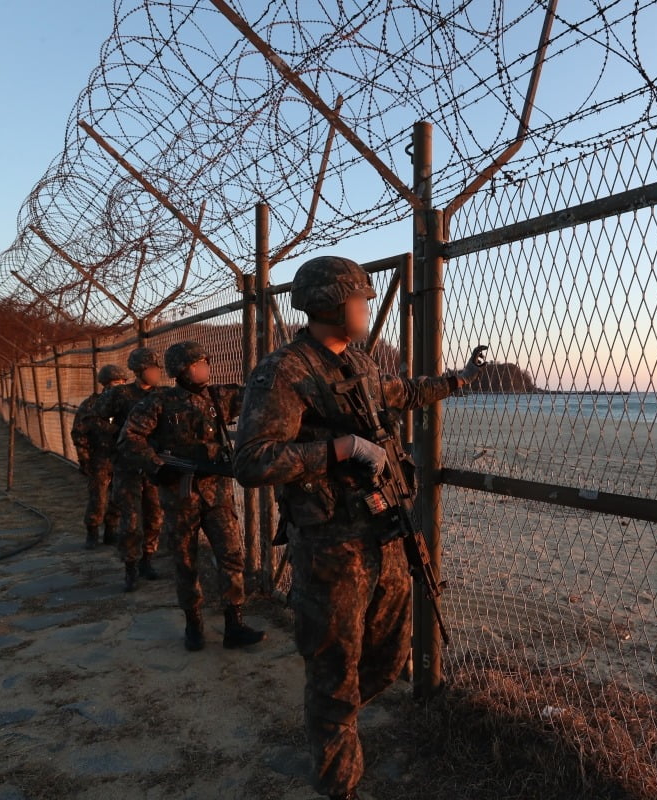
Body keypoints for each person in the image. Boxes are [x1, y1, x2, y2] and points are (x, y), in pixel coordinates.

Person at [232, 255, 483, 800]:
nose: (367, 308)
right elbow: (252, 460)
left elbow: (398, 394)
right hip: (328, 544)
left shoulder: (360, 363)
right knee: (333, 664)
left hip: (382, 528)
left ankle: (333, 723)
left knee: (388, 656)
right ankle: (337, 780)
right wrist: (338, 449)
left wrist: (454, 382)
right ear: (330, 303)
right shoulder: (283, 372)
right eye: (359, 300)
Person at [119, 340, 265, 651]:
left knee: (231, 555)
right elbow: (129, 438)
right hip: (180, 496)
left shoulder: (218, 397)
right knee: (185, 561)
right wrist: (157, 467)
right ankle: (193, 623)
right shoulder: (159, 401)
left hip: (217, 493)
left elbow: (258, 393)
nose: (205, 368)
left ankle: (234, 622)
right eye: (199, 363)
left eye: (204, 362)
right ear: (184, 370)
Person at [96, 346, 166, 592]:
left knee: (155, 516)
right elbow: (99, 416)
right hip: (127, 466)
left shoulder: (164, 395)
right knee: (131, 519)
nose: (157, 373)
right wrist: (118, 436)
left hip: (153, 465)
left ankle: (148, 559)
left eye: (158, 368)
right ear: (139, 371)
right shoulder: (121, 394)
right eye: (151, 369)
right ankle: (130, 567)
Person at [71, 364, 127, 550]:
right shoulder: (90, 405)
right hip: (99, 458)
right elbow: (79, 433)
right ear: (104, 384)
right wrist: (84, 459)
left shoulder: (127, 403)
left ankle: (112, 531)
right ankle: (92, 531)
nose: (118, 386)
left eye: (121, 382)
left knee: (118, 497)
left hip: (121, 457)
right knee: (98, 498)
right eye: (114, 382)